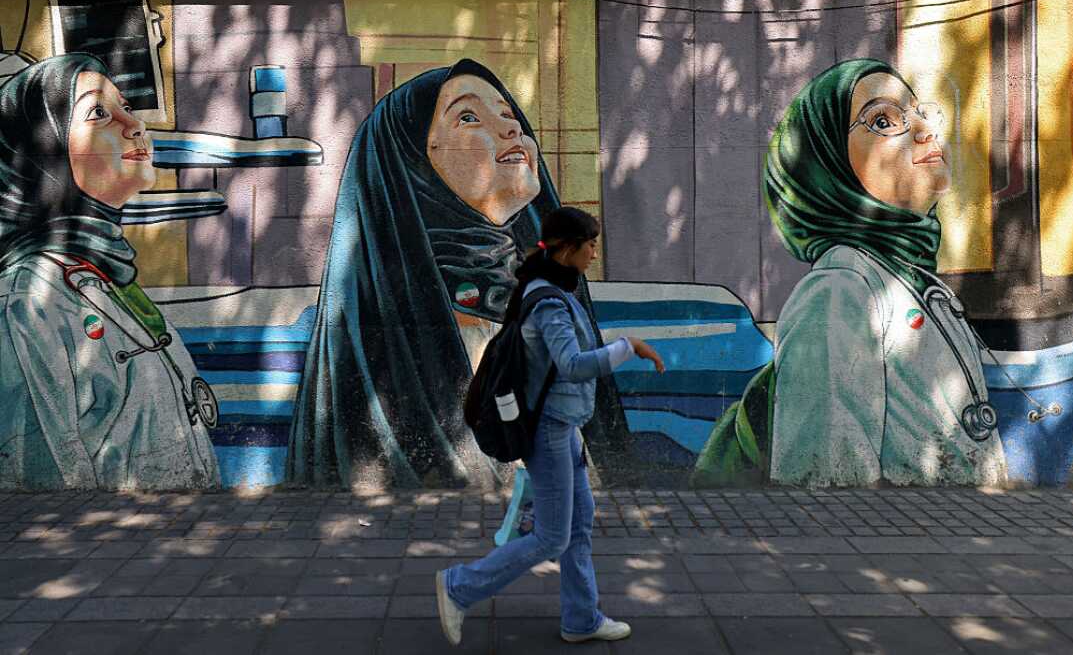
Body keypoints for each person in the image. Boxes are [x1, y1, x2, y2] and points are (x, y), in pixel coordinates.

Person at [287, 59, 630, 489]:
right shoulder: (400, 328)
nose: (513, 130)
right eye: (469, 117)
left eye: (510, 116)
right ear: (415, 163)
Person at [762, 58, 1007, 486]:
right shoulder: (840, 291)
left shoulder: (909, 275)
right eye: (883, 119)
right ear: (828, 166)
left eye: (919, 111)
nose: (925, 130)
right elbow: (826, 482)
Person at [436, 206, 665, 646]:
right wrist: (627, 346)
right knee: (551, 537)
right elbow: (574, 365)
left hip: (564, 427)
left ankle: (581, 619)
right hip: (551, 431)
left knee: (579, 524)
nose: (595, 253)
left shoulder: (550, 290)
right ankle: (459, 586)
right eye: (590, 244)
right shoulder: (550, 303)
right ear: (566, 249)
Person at [0, 53, 220, 490]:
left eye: (129, 108)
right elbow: (38, 479)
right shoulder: (29, 301)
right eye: (99, 113)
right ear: (41, 156)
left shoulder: (105, 273)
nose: (135, 125)